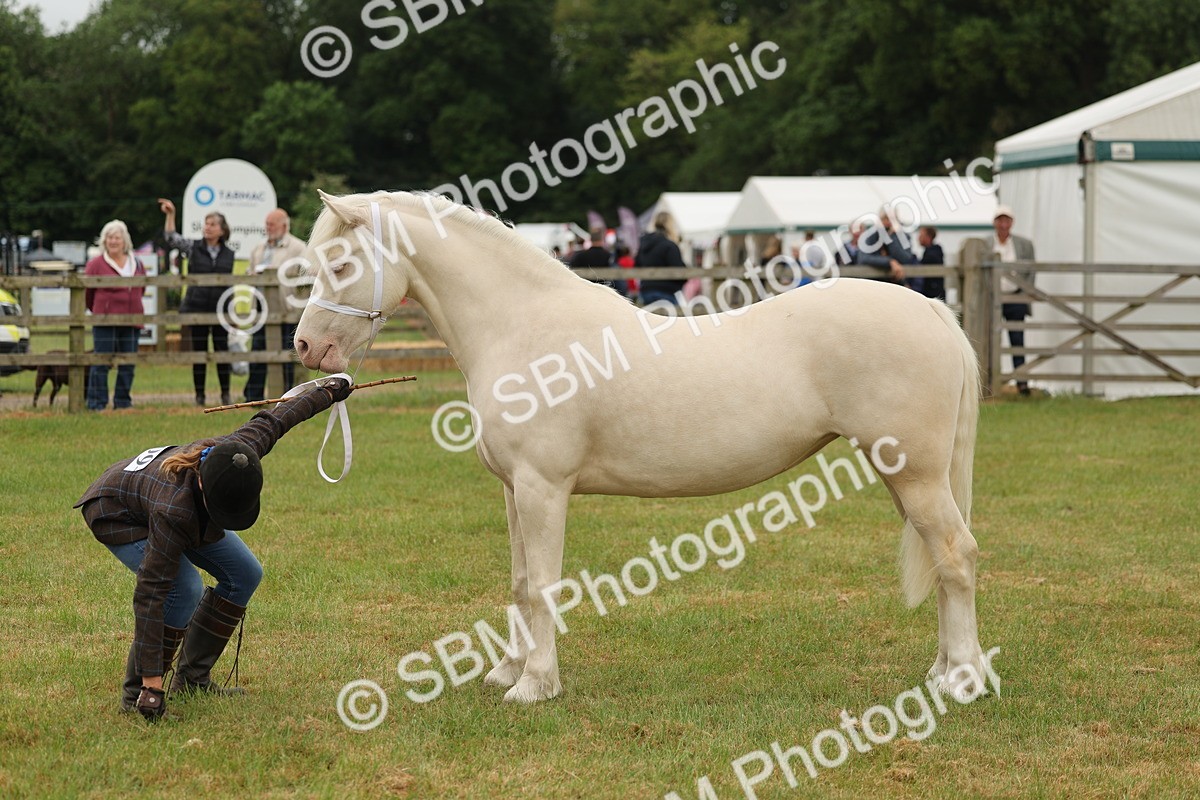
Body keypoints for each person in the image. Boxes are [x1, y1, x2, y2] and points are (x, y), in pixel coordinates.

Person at [74, 377, 352, 721]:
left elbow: (278, 418)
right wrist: (150, 682)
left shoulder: (239, 451)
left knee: (245, 573)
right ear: (206, 488)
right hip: (116, 511)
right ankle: (137, 698)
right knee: (183, 588)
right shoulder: (174, 510)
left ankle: (191, 679)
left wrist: (326, 392)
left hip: (170, 498)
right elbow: (150, 593)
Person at [158, 198, 235, 407]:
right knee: (199, 353)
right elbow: (171, 238)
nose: (207, 228)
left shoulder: (230, 254)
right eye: (206, 224)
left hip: (221, 311)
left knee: (222, 353)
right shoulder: (193, 247)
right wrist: (170, 215)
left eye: (212, 224)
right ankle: (199, 396)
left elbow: (231, 286)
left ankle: (225, 395)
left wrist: (232, 311)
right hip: (197, 308)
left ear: (222, 230)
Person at [243, 209, 307, 402]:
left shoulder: (297, 248)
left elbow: (305, 276)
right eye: (267, 224)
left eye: (272, 224)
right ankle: (252, 397)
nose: (268, 228)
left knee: (284, 355)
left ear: (284, 226)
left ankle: (285, 396)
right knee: (257, 353)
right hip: (261, 309)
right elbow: (248, 271)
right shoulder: (259, 249)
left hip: (285, 310)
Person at [85, 220, 145, 411]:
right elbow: (88, 293)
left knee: (128, 363)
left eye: (117, 237)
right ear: (104, 240)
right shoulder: (95, 264)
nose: (113, 241)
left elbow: (141, 288)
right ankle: (97, 403)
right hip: (105, 321)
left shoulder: (137, 263)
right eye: (109, 237)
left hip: (132, 319)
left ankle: (123, 402)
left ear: (124, 240)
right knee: (101, 363)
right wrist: (100, 311)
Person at [985, 205, 1037, 395]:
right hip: (992, 298)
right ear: (995, 223)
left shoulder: (1024, 245)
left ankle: (1021, 381)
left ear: (1012, 223)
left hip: (1015, 297)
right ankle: (989, 382)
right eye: (1000, 220)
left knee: (1017, 339)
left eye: (1006, 220)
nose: (1003, 224)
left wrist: (1025, 291)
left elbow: (1031, 270)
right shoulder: (987, 243)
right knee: (990, 339)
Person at [635, 211, 686, 307]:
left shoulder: (644, 243)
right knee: (674, 319)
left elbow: (637, 265)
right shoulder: (670, 246)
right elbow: (679, 271)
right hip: (666, 291)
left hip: (646, 290)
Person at [856, 208, 916, 283]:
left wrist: (892, 238)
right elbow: (863, 258)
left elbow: (906, 258)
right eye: (886, 218)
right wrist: (889, 262)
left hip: (897, 282)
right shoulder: (870, 236)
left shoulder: (902, 236)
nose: (889, 222)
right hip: (874, 281)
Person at [569, 228, 622, 294]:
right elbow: (617, 278)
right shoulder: (609, 256)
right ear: (602, 239)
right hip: (605, 291)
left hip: (585, 291)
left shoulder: (580, 256)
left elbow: (572, 274)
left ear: (590, 240)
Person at [914, 225, 946, 300]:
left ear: (928, 237)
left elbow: (922, 265)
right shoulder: (933, 251)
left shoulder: (932, 253)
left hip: (933, 294)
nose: (918, 238)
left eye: (921, 235)